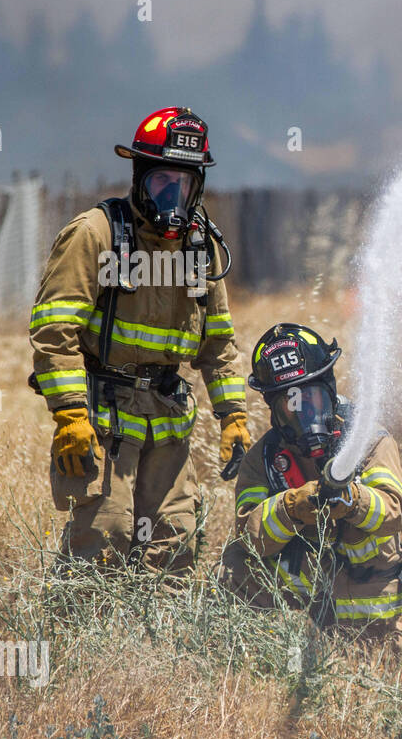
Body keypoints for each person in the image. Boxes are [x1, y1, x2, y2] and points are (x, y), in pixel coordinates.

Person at [29, 106, 250, 572]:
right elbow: (54, 329)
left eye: (184, 183)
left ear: (197, 186)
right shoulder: (97, 233)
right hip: (104, 420)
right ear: (139, 176)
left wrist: (234, 415)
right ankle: (80, 643)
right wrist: (70, 414)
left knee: (175, 546)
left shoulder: (200, 246)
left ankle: (155, 647)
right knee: (101, 544)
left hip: (168, 424)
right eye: (161, 181)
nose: (173, 194)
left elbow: (219, 344)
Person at [220, 323, 402, 649]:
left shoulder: (366, 439)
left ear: (329, 389)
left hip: (363, 587)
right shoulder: (263, 458)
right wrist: (291, 506)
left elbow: (394, 513)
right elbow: (249, 537)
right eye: (290, 403)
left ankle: (376, 644)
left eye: (311, 398)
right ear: (274, 408)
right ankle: (255, 650)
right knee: (231, 568)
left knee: (377, 658)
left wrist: (353, 500)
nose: (304, 414)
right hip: (303, 580)